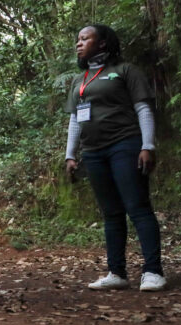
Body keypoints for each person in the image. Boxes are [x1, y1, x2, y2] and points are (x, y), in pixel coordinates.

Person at [64, 24, 166, 292]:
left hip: (125, 145)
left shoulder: (125, 71)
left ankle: (153, 271)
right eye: (78, 39)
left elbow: (143, 109)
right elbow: (75, 119)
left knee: (138, 207)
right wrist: (70, 155)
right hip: (93, 152)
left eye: (85, 38)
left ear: (103, 44)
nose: (79, 43)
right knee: (111, 213)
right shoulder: (80, 80)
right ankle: (117, 272)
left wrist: (147, 145)